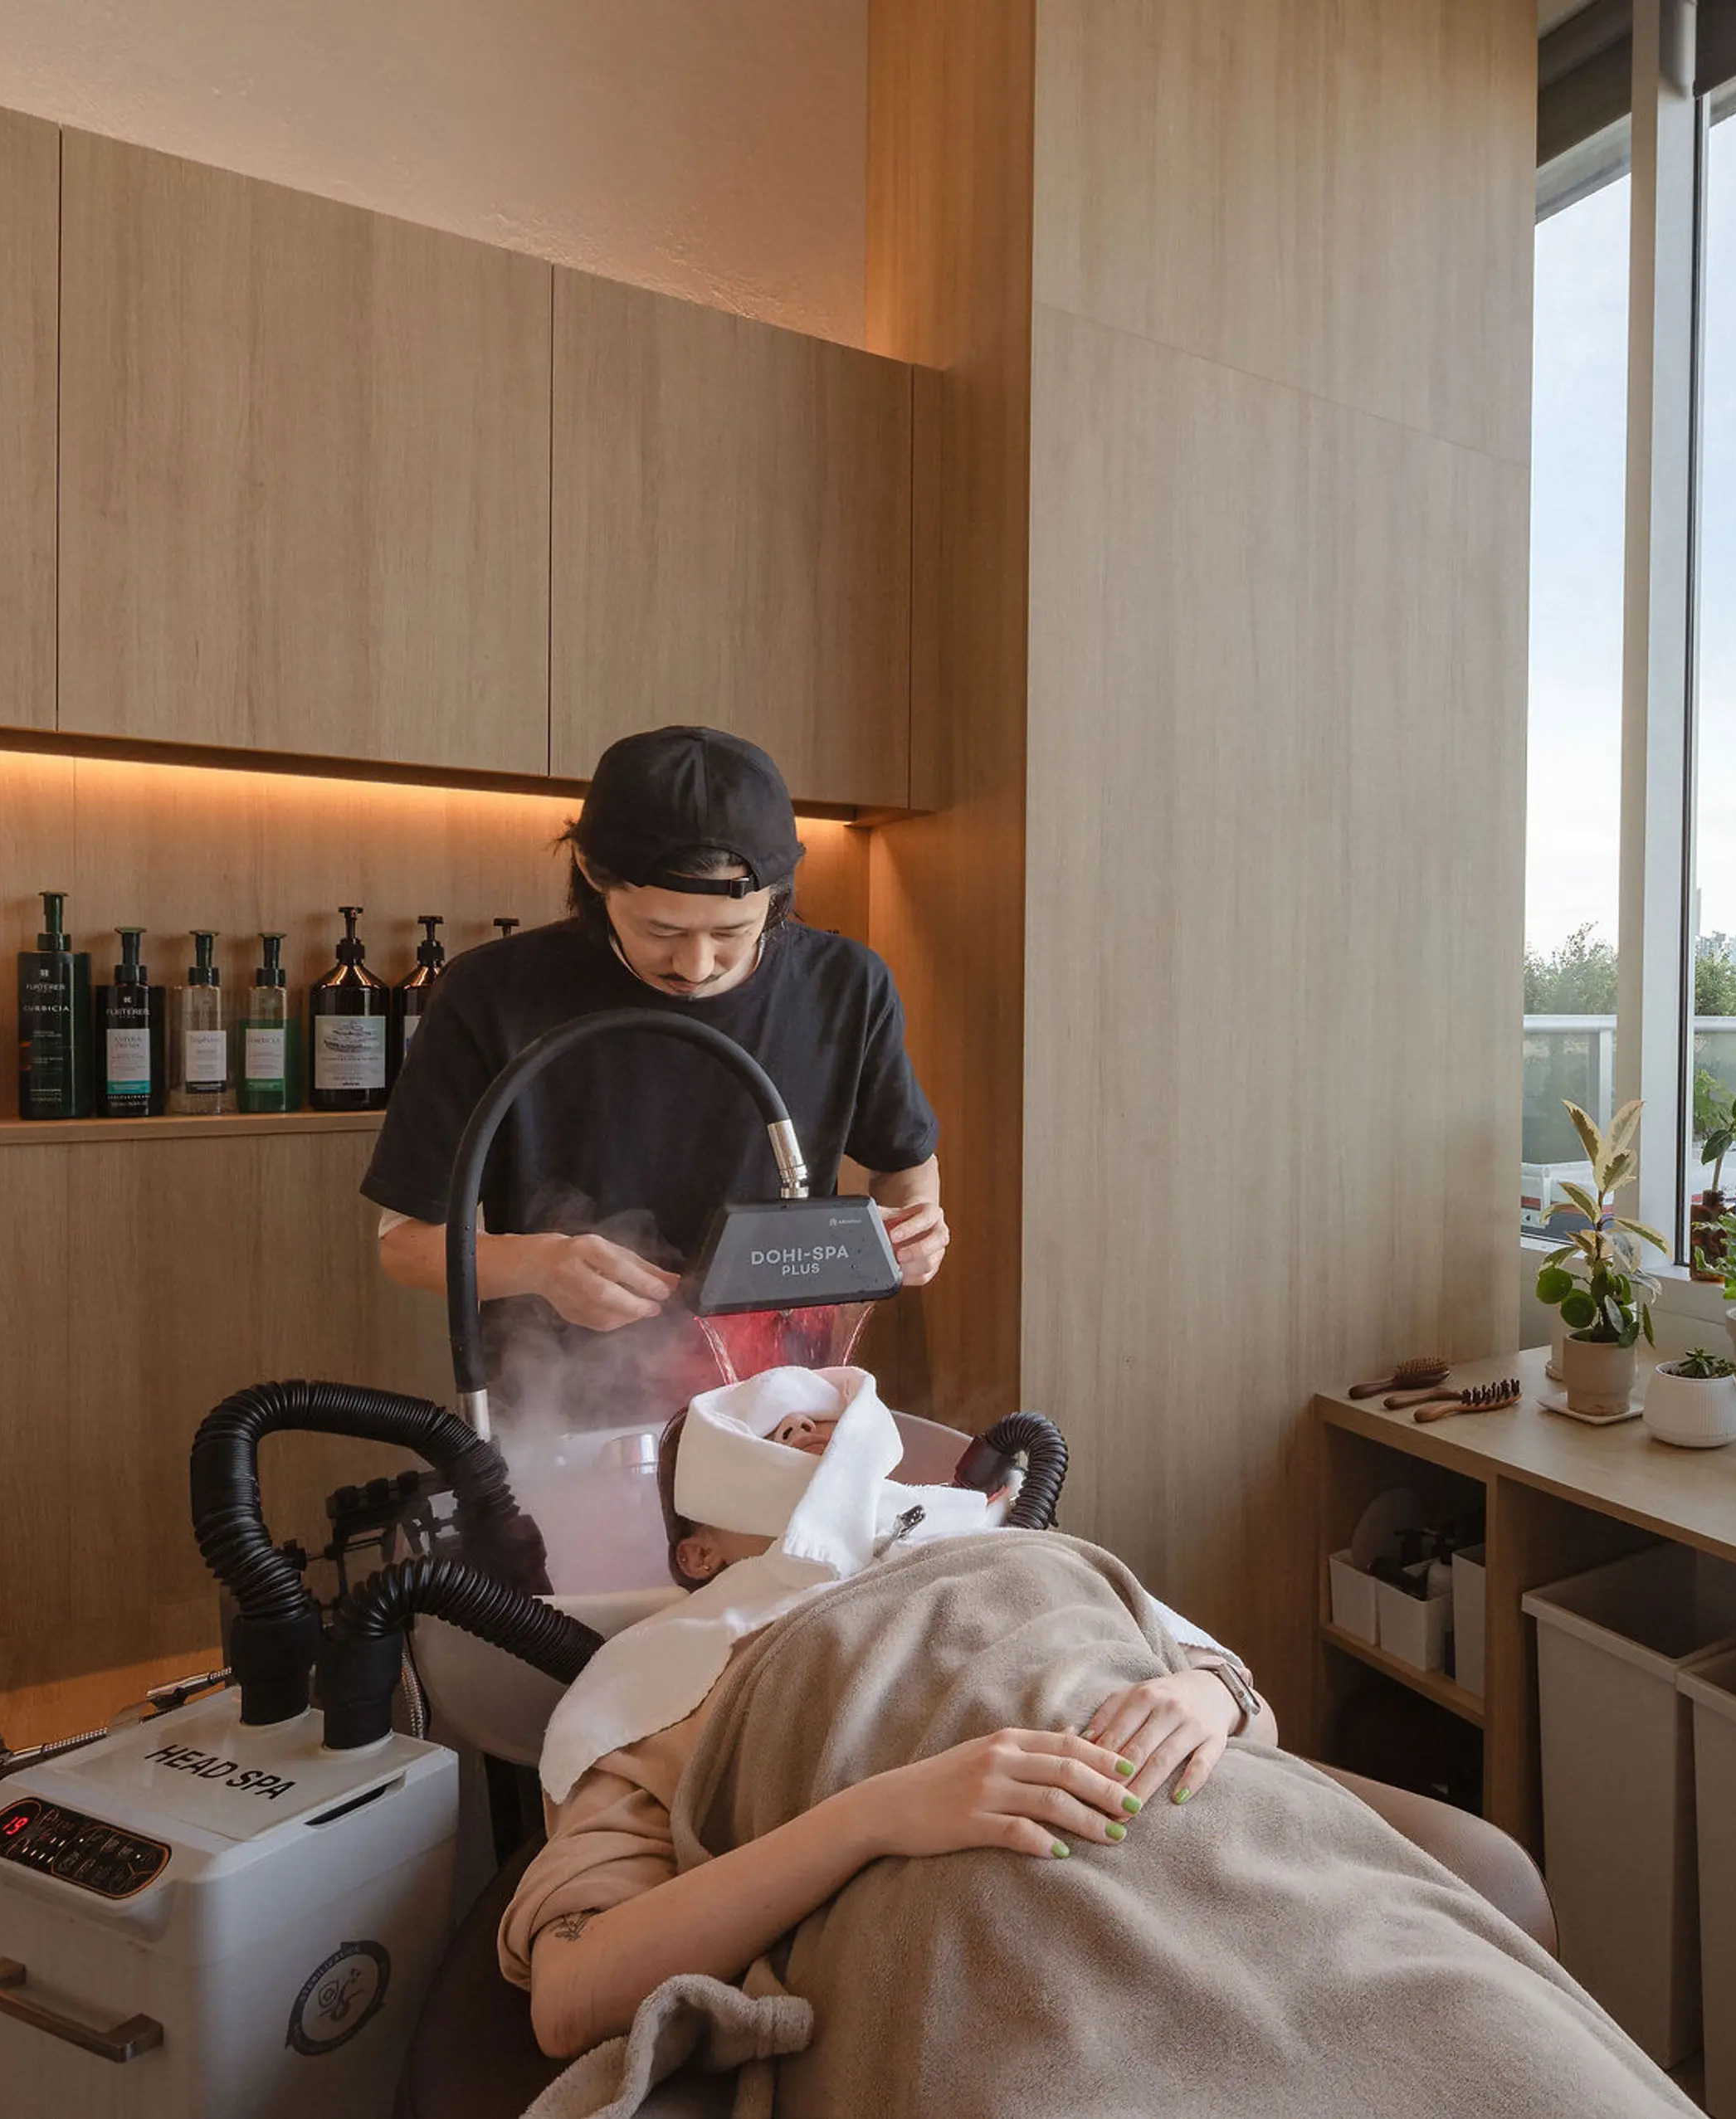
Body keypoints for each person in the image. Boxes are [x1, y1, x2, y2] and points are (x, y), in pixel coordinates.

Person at [505, 1371, 1266, 2059]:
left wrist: (1211, 1695)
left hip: (1230, 1857)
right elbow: (571, 1995)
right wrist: (873, 1817)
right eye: (764, 1429)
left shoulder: (1001, 1545)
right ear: (698, 1556)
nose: (804, 1424)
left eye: (819, 1415)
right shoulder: (656, 1679)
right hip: (1017, 1937)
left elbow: (1260, 1727)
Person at [362, 726, 948, 1350]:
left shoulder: (845, 986)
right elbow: (406, 1244)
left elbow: (905, 1163)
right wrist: (537, 1266)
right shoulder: (491, 993)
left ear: (777, 895)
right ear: (591, 873)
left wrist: (914, 1232)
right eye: (661, 930)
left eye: (732, 932)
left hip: (779, 1389)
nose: (696, 966)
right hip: (555, 1382)